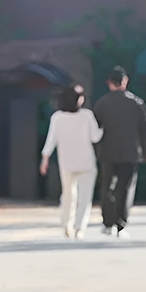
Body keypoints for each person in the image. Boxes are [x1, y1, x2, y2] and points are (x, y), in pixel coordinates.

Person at [93, 66, 146, 237]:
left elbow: (95, 128)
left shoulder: (101, 103)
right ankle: (121, 223)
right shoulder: (136, 102)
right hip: (131, 152)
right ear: (125, 81)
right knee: (125, 187)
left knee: (107, 186)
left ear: (109, 83)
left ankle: (107, 222)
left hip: (107, 151)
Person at [39, 84, 102, 239]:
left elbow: (51, 141)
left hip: (66, 162)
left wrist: (45, 159)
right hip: (86, 162)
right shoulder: (87, 115)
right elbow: (95, 137)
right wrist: (103, 129)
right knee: (84, 198)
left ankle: (66, 224)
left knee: (68, 195)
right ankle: (79, 228)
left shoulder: (57, 117)